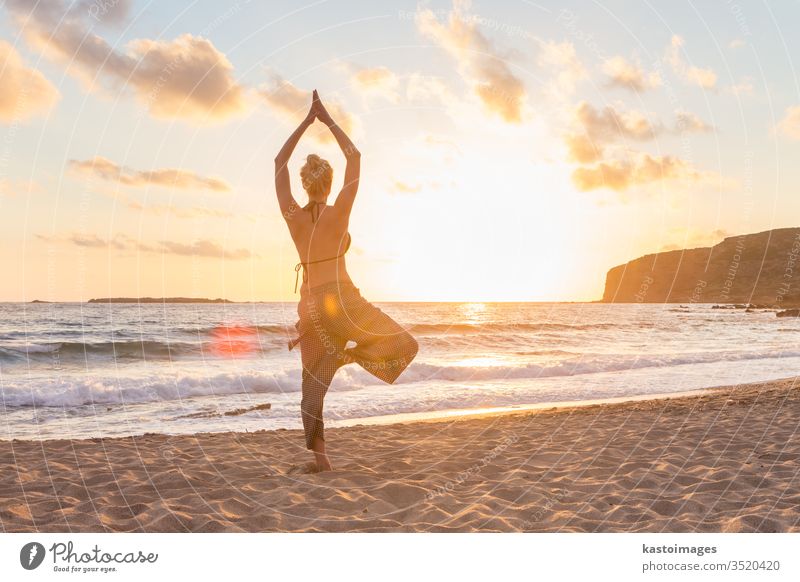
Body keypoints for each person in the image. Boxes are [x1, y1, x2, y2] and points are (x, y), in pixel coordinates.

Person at [275, 90, 418, 472]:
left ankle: (322, 461)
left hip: (312, 310)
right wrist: (327, 120)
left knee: (312, 390)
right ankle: (351, 354)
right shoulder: (341, 212)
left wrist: (305, 123)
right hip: (345, 303)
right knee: (406, 346)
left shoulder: (294, 217)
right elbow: (355, 156)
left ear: (305, 184)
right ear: (330, 182)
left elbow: (278, 162)